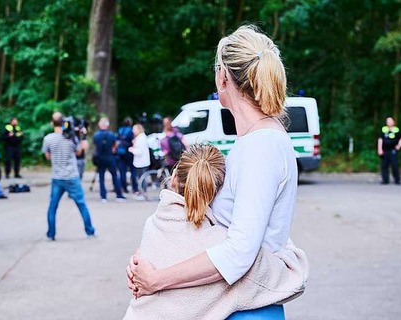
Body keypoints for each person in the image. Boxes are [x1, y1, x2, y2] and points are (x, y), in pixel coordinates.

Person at [128, 25, 299, 319]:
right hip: (231, 304)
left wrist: (157, 279)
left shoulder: (263, 146)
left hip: (246, 310)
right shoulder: (254, 141)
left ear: (223, 78)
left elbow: (239, 252)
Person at [124, 144, 307, 319]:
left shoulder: (153, 225)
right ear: (218, 194)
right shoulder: (222, 250)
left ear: (173, 179)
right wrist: (279, 238)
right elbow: (293, 279)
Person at [42, 112, 95, 241]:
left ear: (52, 123)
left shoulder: (48, 139)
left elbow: (47, 156)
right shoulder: (71, 138)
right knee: (81, 204)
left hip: (57, 177)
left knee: (53, 206)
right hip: (72, 176)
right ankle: (90, 231)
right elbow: (78, 152)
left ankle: (51, 234)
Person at [93, 117, 126, 203]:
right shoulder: (111, 135)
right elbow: (115, 144)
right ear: (107, 125)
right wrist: (113, 149)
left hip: (100, 158)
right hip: (110, 157)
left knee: (101, 177)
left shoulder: (96, 135)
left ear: (100, 125)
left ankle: (103, 197)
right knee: (115, 176)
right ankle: (119, 195)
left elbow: (95, 145)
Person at [377, 116, 401, 185]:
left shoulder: (396, 130)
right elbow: (380, 139)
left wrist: (399, 146)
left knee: (395, 165)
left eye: (390, 121)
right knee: (384, 166)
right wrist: (380, 149)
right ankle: (385, 180)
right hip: (385, 150)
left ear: (393, 122)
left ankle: (397, 180)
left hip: (393, 150)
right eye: (388, 121)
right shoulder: (384, 129)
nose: (389, 122)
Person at [128, 123, 150, 201]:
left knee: (142, 178)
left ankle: (143, 193)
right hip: (141, 162)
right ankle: (141, 192)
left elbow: (140, 152)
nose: (133, 131)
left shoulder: (141, 139)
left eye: (134, 129)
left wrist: (132, 150)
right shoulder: (140, 138)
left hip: (142, 162)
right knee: (141, 178)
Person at [117, 117, 136, 194]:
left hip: (121, 153)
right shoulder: (130, 131)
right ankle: (134, 187)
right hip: (129, 153)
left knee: (122, 171)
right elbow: (132, 141)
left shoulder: (120, 130)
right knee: (132, 170)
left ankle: (123, 187)